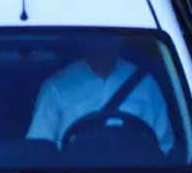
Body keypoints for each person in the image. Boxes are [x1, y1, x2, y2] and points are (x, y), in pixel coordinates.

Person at [26, 36, 172, 154]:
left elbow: (164, 146)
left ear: (120, 38)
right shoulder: (57, 86)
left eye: (108, 35)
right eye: (96, 36)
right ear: (83, 39)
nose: (102, 42)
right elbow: (39, 148)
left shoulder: (145, 84)